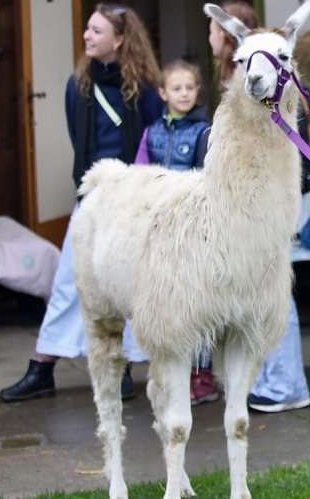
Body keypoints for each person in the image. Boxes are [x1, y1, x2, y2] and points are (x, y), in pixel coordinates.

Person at [0, 4, 164, 402]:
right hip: (93, 194)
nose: (87, 36)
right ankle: (42, 367)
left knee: (126, 284)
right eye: (87, 29)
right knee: (69, 281)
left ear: (120, 39)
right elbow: (80, 141)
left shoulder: (144, 89)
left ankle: (121, 366)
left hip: (131, 197)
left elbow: (153, 141)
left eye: (96, 30)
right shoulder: (79, 85)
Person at [207, 0, 310, 413]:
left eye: (217, 32)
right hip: (244, 199)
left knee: (272, 278)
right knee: (254, 283)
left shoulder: (279, 89)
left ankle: (286, 383)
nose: (212, 37)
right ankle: (266, 379)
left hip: (266, 199)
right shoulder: (240, 85)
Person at [132, 58, 217, 406]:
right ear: (162, 92)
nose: (184, 94)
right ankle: (174, 376)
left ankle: (203, 377)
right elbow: (139, 175)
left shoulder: (204, 131)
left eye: (190, 88)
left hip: (193, 232)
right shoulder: (151, 132)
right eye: (176, 88)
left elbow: (207, 178)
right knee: (169, 307)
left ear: (198, 91)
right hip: (160, 232)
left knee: (198, 306)